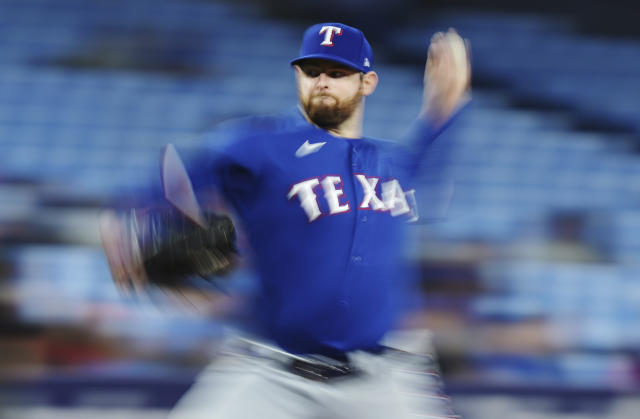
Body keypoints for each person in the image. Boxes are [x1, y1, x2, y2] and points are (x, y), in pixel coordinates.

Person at [100, 22, 470, 419]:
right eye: (313, 72)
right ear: (298, 76)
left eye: (338, 72)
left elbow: (431, 153)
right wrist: (125, 223)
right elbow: (172, 180)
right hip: (271, 374)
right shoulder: (258, 145)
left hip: (384, 378)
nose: (323, 82)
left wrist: (444, 107)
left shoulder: (394, 164)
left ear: (368, 82)